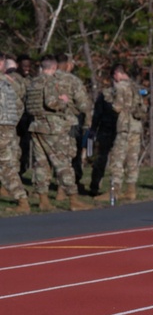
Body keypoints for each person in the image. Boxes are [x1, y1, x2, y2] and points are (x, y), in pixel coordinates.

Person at [25, 55, 90, 211]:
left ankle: (43, 200)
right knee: (62, 163)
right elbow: (51, 103)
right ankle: (73, 199)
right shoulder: (50, 82)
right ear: (53, 68)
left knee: (41, 164)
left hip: (36, 125)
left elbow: (28, 105)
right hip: (52, 127)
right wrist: (64, 101)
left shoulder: (33, 83)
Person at [96, 64, 145, 203]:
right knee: (132, 160)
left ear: (117, 74)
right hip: (136, 127)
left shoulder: (120, 87)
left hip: (124, 127)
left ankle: (114, 191)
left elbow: (117, 107)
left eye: (114, 76)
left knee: (117, 159)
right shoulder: (136, 87)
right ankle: (131, 190)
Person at [55, 54, 93, 198]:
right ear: (67, 64)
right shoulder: (72, 80)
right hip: (70, 122)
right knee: (71, 155)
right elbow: (83, 104)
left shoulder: (46, 79)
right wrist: (87, 120)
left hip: (49, 123)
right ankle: (67, 186)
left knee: (53, 155)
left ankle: (47, 188)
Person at [1, 57, 30, 214]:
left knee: (5, 164)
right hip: (7, 127)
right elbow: (19, 105)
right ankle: (22, 199)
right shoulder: (10, 82)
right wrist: (11, 124)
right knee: (5, 164)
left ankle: (22, 199)